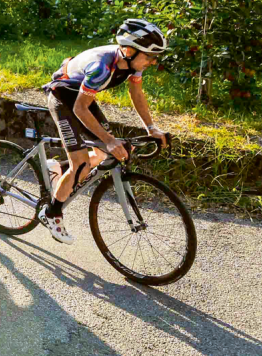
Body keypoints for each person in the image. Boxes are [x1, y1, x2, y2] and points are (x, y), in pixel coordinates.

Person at [38, 18, 169, 244]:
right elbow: (79, 108)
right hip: (63, 97)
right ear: (129, 50)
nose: (153, 62)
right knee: (82, 162)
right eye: (149, 56)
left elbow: (136, 94)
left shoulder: (131, 63)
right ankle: (52, 213)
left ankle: (58, 169)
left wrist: (152, 128)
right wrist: (109, 140)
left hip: (81, 97)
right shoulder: (102, 67)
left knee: (102, 153)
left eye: (155, 57)